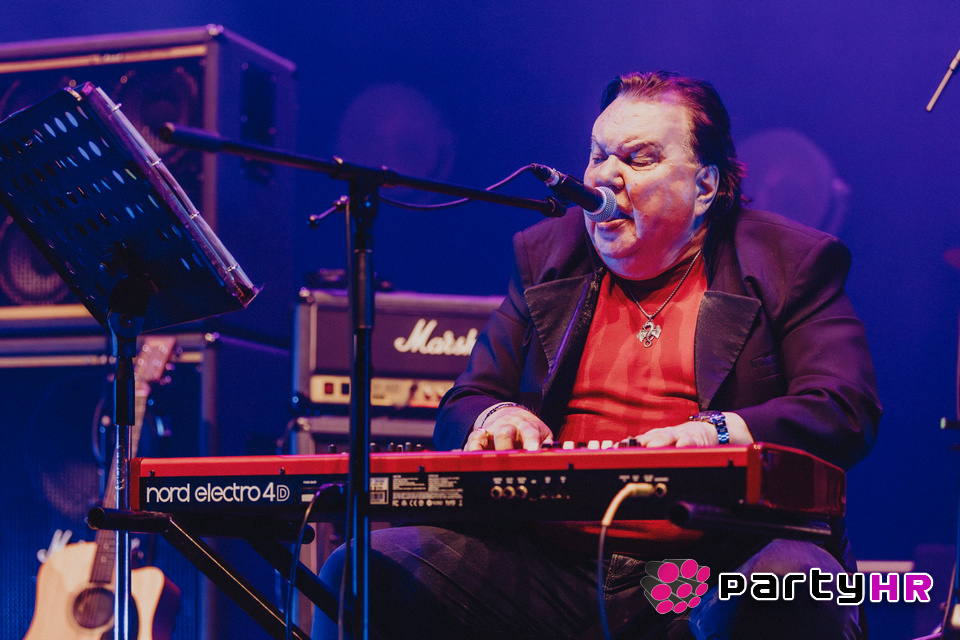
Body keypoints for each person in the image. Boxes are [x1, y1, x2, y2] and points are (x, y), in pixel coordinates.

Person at [312, 70, 881, 640]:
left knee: (794, 581)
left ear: (704, 187)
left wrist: (715, 433)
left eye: (638, 158)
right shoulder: (547, 254)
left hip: (713, 564)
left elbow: (843, 407)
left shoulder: (787, 261)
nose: (606, 176)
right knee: (363, 572)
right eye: (598, 156)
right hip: (550, 568)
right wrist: (496, 417)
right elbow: (468, 399)